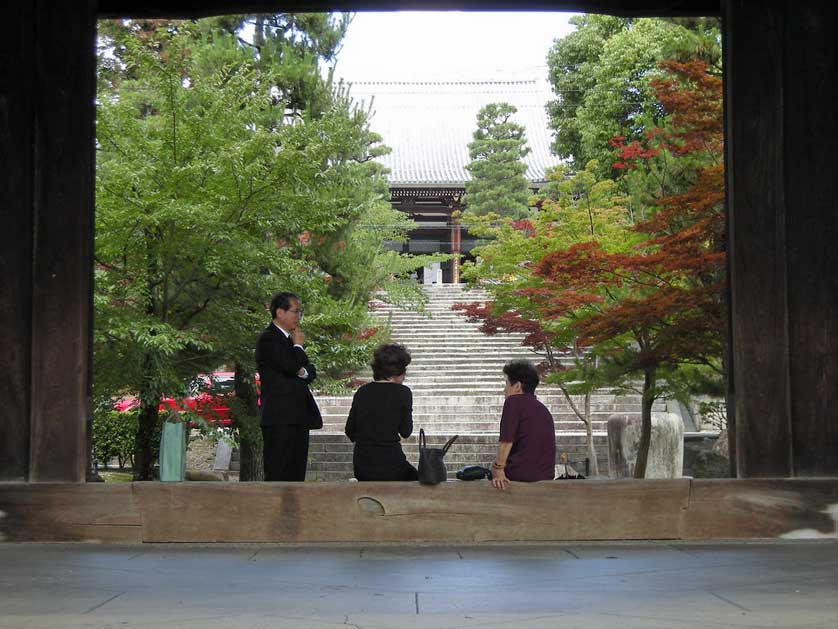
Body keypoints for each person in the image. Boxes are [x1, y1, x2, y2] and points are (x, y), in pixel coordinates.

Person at [256, 291, 322, 481]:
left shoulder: (290, 339)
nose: (298, 316)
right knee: (279, 471)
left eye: (300, 312)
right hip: (279, 417)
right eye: (295, 311)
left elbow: (309, 370)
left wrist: (301, 369)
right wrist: (299, 347)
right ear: (280, 312)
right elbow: (292, 365)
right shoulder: (268, 338)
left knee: (297, 473)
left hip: (298, 415)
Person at [344, 344, 418, 481]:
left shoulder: (362, 392)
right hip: (392, 465)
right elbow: (406, 431)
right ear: (397, 373)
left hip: (362, 467)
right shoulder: (403, 393)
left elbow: (350, 430)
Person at [491, 360, 556, 490]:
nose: (504, 390)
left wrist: (498, 468)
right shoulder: (542, 409)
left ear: (517, 386)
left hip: (520, 474)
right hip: (545, 475)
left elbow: (506, 441)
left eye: (507, 384)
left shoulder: (513, 402)